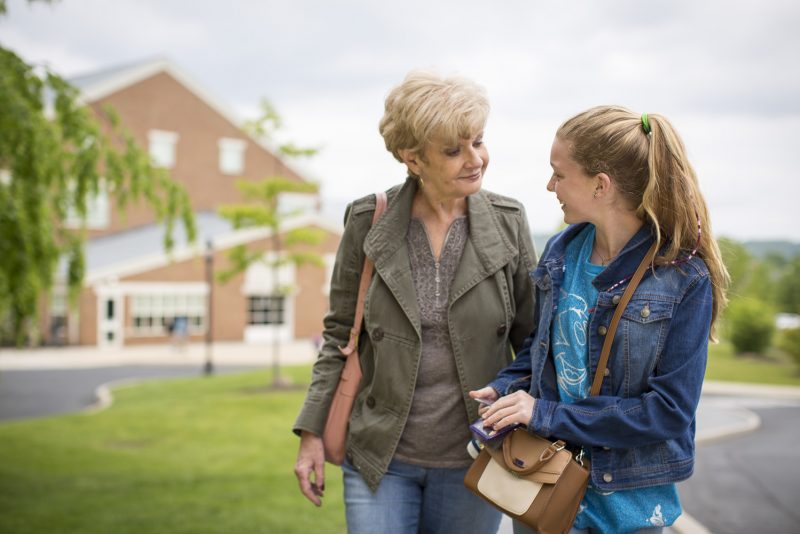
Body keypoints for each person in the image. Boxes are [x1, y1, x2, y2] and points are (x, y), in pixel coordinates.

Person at [293, 70, 538, 534]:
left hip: (476, 455)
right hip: (380, 457)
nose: (475, 159)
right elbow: (339, 335)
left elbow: (534, 341)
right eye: (453, 149)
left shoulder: (508, 221)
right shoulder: (368, 220)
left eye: (478, 141)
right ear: (412, 158)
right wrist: (311, 435)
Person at [470, 106, 729, 534]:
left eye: (558, 173)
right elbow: (544, 345)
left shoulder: (684, 278)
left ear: (601, 185)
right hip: (544, 487)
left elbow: (668, 411)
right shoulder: (561, 252)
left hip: (628, 504)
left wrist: (545, 414)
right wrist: (506, 386)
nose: (549, 185)